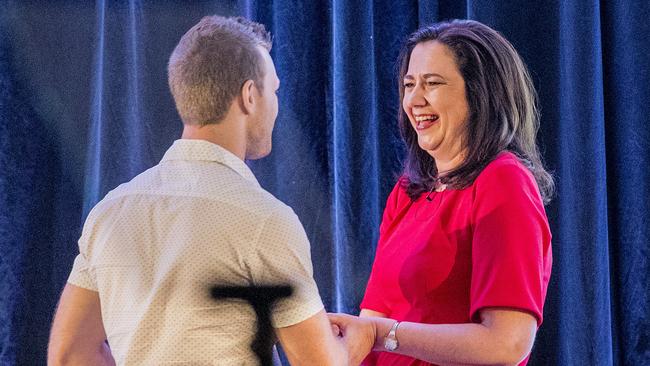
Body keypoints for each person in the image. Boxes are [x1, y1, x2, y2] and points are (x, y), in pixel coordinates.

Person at [47, 16, 347, 365]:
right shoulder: (266, 220)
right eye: (275, 90)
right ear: (249, 96)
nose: (276, 104)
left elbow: (69, 354)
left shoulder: (110, 212)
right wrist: (361, 340)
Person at [329, 20, 554, 366]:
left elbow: (507, 345)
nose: (414, 100)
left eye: (432, 84)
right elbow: (371, 317)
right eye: (409, 84)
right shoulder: (408, 192)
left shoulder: (504, 181)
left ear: (479, 94)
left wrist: (379, 333)